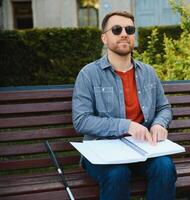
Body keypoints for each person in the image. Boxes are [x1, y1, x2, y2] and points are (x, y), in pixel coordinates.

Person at [72, 11, 176, 200]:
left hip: (143, 148)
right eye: (116, 29)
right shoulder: (88, 74)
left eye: (129, 29)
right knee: (116, 174)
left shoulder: (148, 73)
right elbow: (81, 121)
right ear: (104, 37)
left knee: (165, 167)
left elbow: (164, 108)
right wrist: (125, 125)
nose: (123, 33)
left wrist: (159, 124)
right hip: (102, 150)